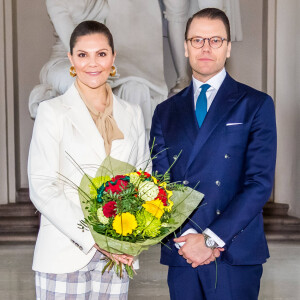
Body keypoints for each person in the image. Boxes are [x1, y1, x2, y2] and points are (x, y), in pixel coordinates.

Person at [150, 8, 276, 300]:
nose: (206, 47)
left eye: (216, 40)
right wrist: (187, 242)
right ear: (185, 46)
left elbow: (259, 184)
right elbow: (160, 185)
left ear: (228, 47)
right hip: (183, 252)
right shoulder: (165, 112)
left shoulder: (255, 104)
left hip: (233, 249)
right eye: (197, 40)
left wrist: (209, 239)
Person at [28, 20, 149, 299]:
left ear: (113, 57)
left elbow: (143, 178)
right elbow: (43, 186)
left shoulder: (132, 113)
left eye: (101, 54)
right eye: (83, 55)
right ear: (71, 59)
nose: (92, 63)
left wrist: (125, 236)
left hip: (118, 252)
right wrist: (94, 237)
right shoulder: (52, 112)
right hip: (64, 248)